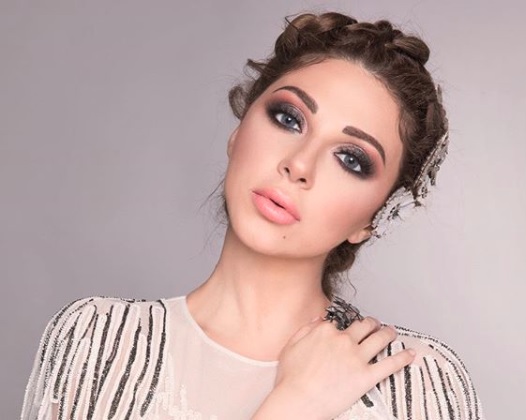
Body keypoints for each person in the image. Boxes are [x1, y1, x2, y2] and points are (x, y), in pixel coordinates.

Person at [21, 12, 484, 420]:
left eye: (351, 159)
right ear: (238, 131)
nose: (298, 165)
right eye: (289, 119)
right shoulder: (98, 342)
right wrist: (295, 406)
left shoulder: (415, 381)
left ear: (372, 218)